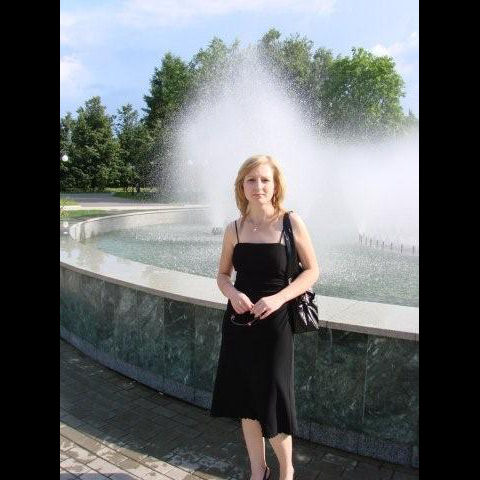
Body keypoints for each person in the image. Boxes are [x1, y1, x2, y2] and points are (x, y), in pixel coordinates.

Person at [210, 155, 320, 480]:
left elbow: (312, 271)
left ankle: (287, 470)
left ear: (275, 185)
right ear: (241, 186)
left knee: (273, 399)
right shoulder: (234, 228)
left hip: (276, 324)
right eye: (251, 180)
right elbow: (222, 275)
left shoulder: (290, 222)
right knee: (246, 400)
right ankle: (258, 470)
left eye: (264, 180)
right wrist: (233, 293)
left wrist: (279, 298)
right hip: (239, 324)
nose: (258, 186)